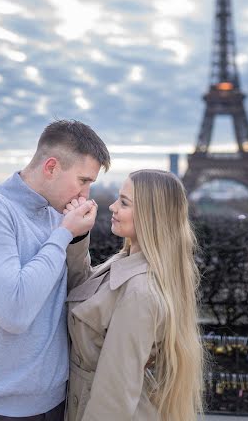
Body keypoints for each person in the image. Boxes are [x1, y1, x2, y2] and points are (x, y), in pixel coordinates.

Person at [0, 119, 110, 421]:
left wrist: (76, 237)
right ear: (51, 167)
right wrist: (62, 235)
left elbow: (76, 291)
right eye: (83, 180)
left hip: (56, 405)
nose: (85, 195)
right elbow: (14, 310)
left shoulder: (55, 215)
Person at [65, 169, 204, 421]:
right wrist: (76, 238)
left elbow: (115, 393)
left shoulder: (140, 291)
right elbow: (80, 293)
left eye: (124, 203)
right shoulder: (127, 262)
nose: (112, 206)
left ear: (152, 215)